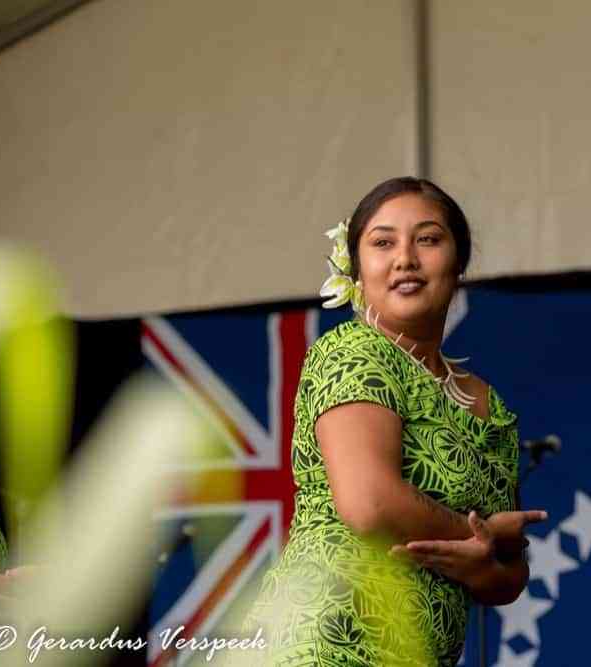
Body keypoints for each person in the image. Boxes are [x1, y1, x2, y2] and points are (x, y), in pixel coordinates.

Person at [243, 177, 546, 666]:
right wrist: (477, 537)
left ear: (459, 262)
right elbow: (370, 504)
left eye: (427, 239)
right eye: (383, 243)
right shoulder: (353, 352)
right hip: (324, 642)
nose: (405, 258)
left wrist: (482, 561)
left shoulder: (487, 404)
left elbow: (507, 576)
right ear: (357, 270)